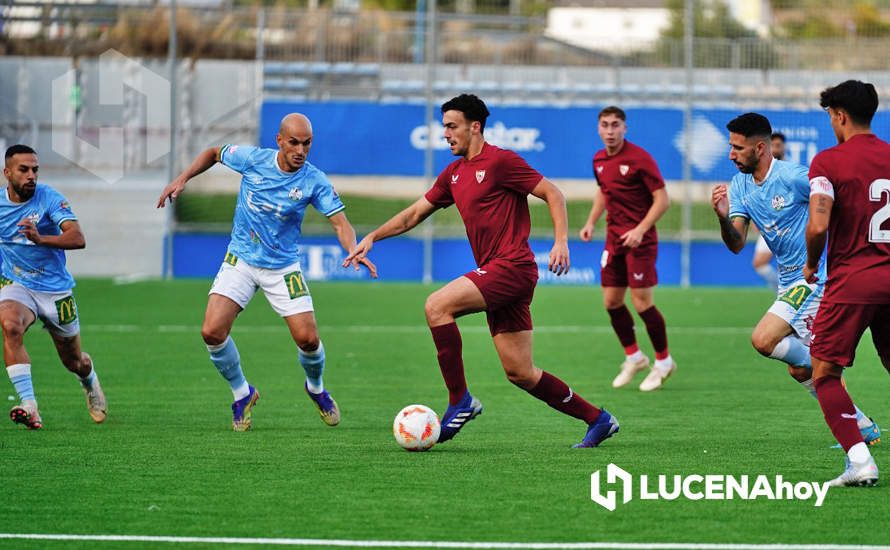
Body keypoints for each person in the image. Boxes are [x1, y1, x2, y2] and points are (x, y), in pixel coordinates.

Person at [344, 94, 619, 448]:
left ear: (475, 127)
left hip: (512, 267)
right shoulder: (454, 174)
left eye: (451, 126)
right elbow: (414, 214)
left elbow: (553, 193)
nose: (445, 134)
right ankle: (598, 420)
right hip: (498, 272)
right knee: (520, 372)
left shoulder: (501, 161)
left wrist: (560, 241)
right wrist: (373, 237)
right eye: (443, 126)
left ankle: (460, 400)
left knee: (436, 306)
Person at [157, 113, 376, 432]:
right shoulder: (252, 159)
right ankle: (241, 394)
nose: (300, 150)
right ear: (279, 140)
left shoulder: (314, 180)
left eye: (307, 143)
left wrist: (352, 247)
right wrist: (182, 179)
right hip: (241, 260)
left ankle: (315, 388)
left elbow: (340, 222)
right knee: (212, 331)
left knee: (308, 339)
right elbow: (213, 153)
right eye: (294, 143)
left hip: (283, 267)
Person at [712, 113, 879, 449]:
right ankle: (860, 423)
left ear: (760, 148)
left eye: (737, 147)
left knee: (764, 339)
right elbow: (736, 244)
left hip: (814, 278)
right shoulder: (741, 184)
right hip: (789, 281)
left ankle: (850, 414)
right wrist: (722, 216)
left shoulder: (796, 177)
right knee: (800, 370)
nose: (731, 154)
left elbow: (837, 204)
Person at [804, 80, 890, 487]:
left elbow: (818, 224)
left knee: (824, 372)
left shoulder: (829, 162)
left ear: (839, 115)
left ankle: (860, 462)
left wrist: (809, 262)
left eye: (830, 117)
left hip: (852, 282)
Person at [1, 144, 107, 429]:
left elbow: (77, 237)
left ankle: (89, 379)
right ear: (7, 173)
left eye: (35, 169)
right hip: (17, 285)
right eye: (24, 170)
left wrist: (41, 239)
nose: (31, 175)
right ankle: (30, 406)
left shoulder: (49, 198)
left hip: (55, 292)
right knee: (10, 325)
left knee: (74, 361)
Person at [579, 106, 676, 392]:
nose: (610, 131)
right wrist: (591, 221)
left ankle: (664, 361)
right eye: (605, 125)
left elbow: (663, 200)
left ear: (625, 128)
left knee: (642, 303)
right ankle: (634, 357)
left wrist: (640, 229)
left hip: (641, 240)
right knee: (611, 302)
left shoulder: (639, 158)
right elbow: (604, 192)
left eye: (615, 125)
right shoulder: (598, 159)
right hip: (614, 239)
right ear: (598, 128)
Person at [750, 132, 787, 289]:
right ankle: (782, 291)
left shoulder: (789, 172)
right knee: (758, 264)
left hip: (786, 226)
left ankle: (787, 294)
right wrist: (754, 218)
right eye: (773, 146)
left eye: (778, 146)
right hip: (767, 226)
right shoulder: (761, 172)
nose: (776, 149)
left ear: (784, 148)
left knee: (788, 266)